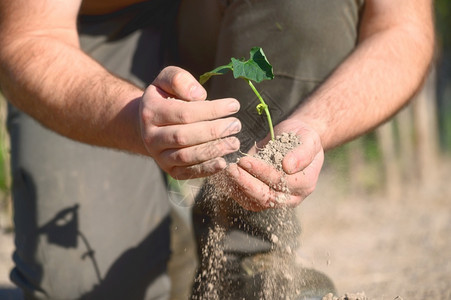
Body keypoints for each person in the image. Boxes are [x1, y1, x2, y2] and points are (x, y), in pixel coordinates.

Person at [0, 0, 434, 299]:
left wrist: (313, 124)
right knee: (82, 288)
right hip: (90, 35)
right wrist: (135, 119)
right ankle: (163, 231)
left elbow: (401, 28)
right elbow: (30, 35)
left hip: (231, 15)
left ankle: (243, 257)